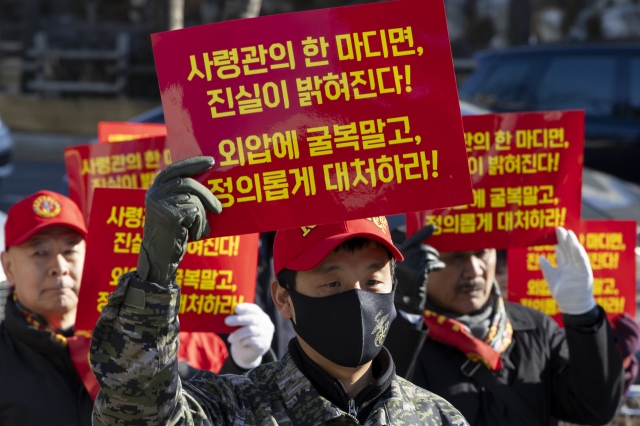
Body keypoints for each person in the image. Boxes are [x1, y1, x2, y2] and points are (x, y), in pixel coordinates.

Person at [90, 157, 468, 425]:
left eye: (372, 282)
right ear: (284, 297)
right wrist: (155, 275)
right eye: (332, 283)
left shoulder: (438, 418)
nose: (357, 300)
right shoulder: (231, 408)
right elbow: (134, 416)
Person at [386, 226, 625, 426]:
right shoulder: (394, 334)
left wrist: (583, 315)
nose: (474, 270)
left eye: (482, 253)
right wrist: (403, 317)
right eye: (455, 257)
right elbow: (382, 408)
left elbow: (596, 408)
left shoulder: (534, 327)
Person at [0, 190, 94, 425]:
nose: (59, 266)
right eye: (40, 252)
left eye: (70, 251)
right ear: (9, 268)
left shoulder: (126, 347)